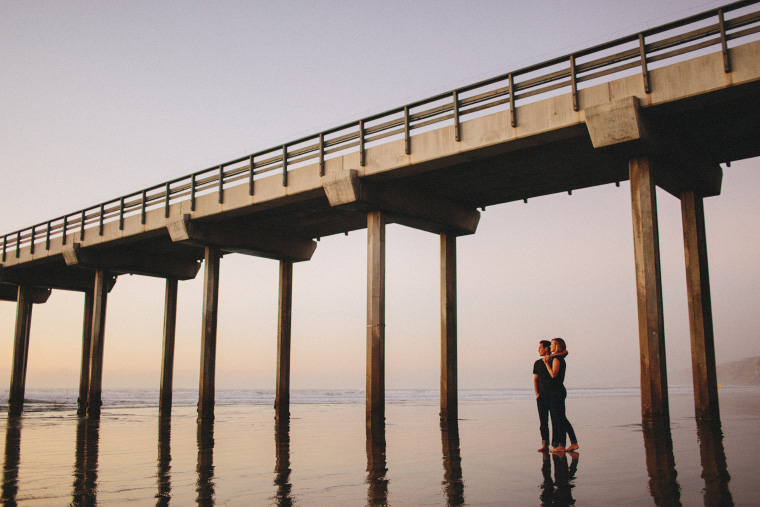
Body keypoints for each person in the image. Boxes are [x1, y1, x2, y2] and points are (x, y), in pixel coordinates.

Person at [544, 338, 579, 453]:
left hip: (557, 391)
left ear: (557, 346)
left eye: (553, 344)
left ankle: (563, 445)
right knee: (561, 418)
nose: (550, 346)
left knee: (560, 418)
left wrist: (546, 364)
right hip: (557, 391)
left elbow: (553, 374)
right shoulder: (557, 357)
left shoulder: (556, 359)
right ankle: (571, 442)